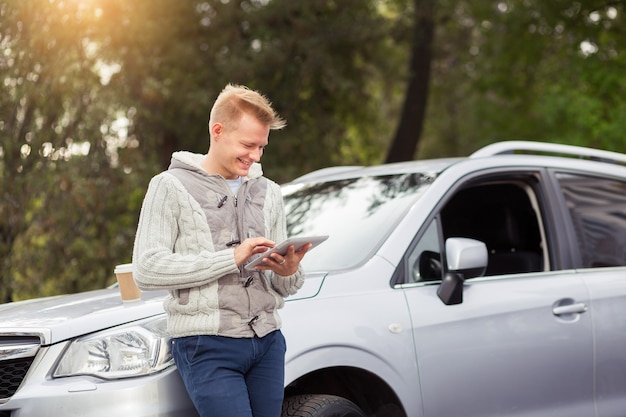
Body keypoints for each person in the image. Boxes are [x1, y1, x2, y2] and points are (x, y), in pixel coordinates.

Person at [132, 84, 311, 417]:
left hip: (268, 341)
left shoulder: (269, 192)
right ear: (217, 131)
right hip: (207, 344)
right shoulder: (169, 186)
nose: (256, 156)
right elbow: (146, 268)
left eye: (262, 146)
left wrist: (288, 272)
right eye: (248, 144)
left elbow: (284, 284)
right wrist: (231, 258)